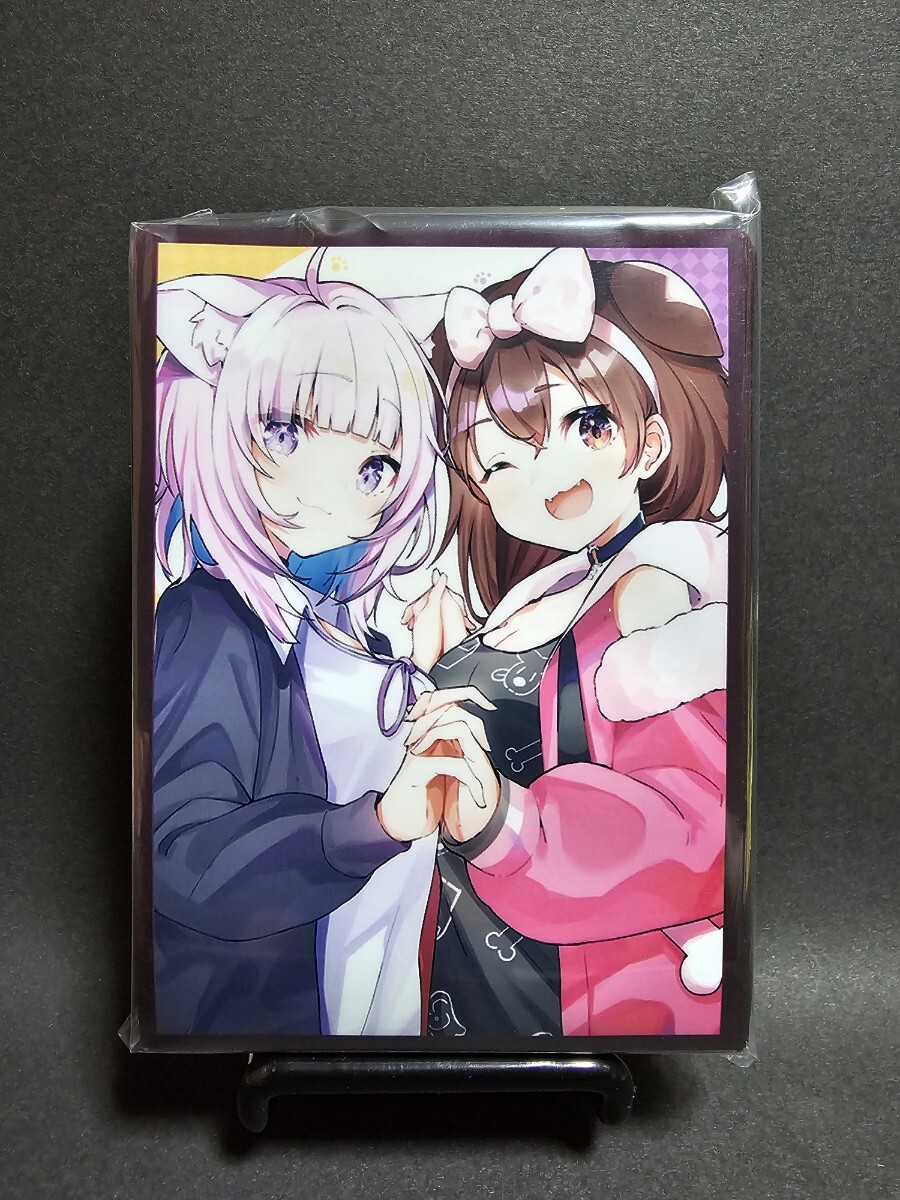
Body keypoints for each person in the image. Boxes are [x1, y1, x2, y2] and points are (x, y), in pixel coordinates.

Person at [406, 247, 729, 1037]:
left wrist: (507, 827)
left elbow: (694, 825)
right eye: (498, 460)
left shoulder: (655, 593)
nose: (543, 477)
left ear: (649, 444)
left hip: (584, 984)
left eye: (584, 426)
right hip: (473, 968)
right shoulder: (550, 591)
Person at [151, 252, 473, 1037]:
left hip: (355, 1004)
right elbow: (183, 855)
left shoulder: (326, 614)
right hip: (256, 1018)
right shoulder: (209, 623)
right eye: (284, 432)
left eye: (374, 466)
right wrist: (373, 825)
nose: (328, 492)